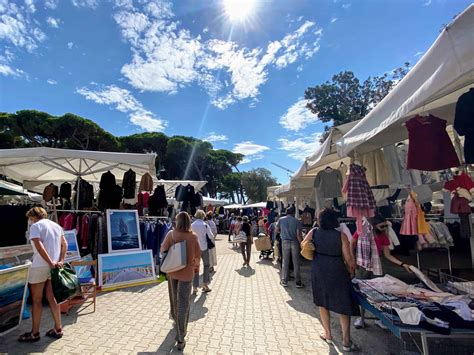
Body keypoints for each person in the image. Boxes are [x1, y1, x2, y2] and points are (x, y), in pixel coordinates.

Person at [303, 208, 360, 352]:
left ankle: (327, 334)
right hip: (337, 270)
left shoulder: (314, 232)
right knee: (342, 304)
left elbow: (303, 244)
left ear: (320, 220)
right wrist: (352, 270)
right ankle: (346, 342)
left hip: (319, 269)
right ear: (334, 220)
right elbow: (348, 259)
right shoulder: (341, 236)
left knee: (322, 302)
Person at [351, 214, 413, 329]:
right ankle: (361, 317)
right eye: (382, 226)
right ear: (374, 225)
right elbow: (352, 242)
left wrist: (403, 264)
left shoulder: (383, 236)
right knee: (360, 291)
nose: (385, 228)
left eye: (385, 226)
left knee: (379, 292)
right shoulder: (362, 230)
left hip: (376, 265)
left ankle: (380, 318)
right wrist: (352, 259)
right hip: (362, 264)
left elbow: (387, 255)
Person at [18, 207, 67, 342]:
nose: (30, 220)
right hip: (54, 267)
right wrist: (60, 260)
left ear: (33, 217)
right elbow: (65, 244)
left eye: (30, 218)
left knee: (36, 300)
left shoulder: (35, 226)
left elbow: (39, 247)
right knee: (53, 298)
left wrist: (50, 262)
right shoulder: (57, 226)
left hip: (40, 266)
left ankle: (35, 333)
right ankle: (58, 328)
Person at [160, 212, 201, 351]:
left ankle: (177, 324)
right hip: (187, 274)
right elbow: (197, 256)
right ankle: (181, 336)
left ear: (177, 221)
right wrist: (196, 270)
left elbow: (162, 249)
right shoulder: (193, 237)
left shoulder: (171, 234)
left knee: (174, 301)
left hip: (172, 272)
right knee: (184, 303)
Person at [276, 207, 304, 288]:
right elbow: (298, 235)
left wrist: (283, 232)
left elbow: (276, 230)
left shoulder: (281, 219)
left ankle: (284, 280)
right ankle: (298, 282)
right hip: (295, 242)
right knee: (296, 262)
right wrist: (302, 244)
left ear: (286, 212)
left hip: (284, 241)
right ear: (293, 213)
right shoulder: (297, 221)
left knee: (285, 261)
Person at [191, 210, 212, 294]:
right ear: (203, 216)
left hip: (195, 249)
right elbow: (211, 236)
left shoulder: (191, 225)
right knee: (206, 265)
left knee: (195, 267)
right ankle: (205, 285)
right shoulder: (205, 225)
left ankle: (195, 287)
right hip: (204, 247)